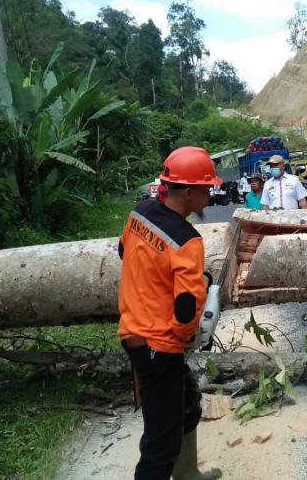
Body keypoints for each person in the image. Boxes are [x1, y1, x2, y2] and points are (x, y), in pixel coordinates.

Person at [117, 147, 222, 480]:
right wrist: (183, 334)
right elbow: (187, 307)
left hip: (136, 331)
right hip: (157, 345)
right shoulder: (187, 240)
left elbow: (124, 250)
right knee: (160, 442)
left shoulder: (140, 212)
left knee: (188, 404)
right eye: (207, 188)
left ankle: (188, 474)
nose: (211, 194)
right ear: (189, 192)